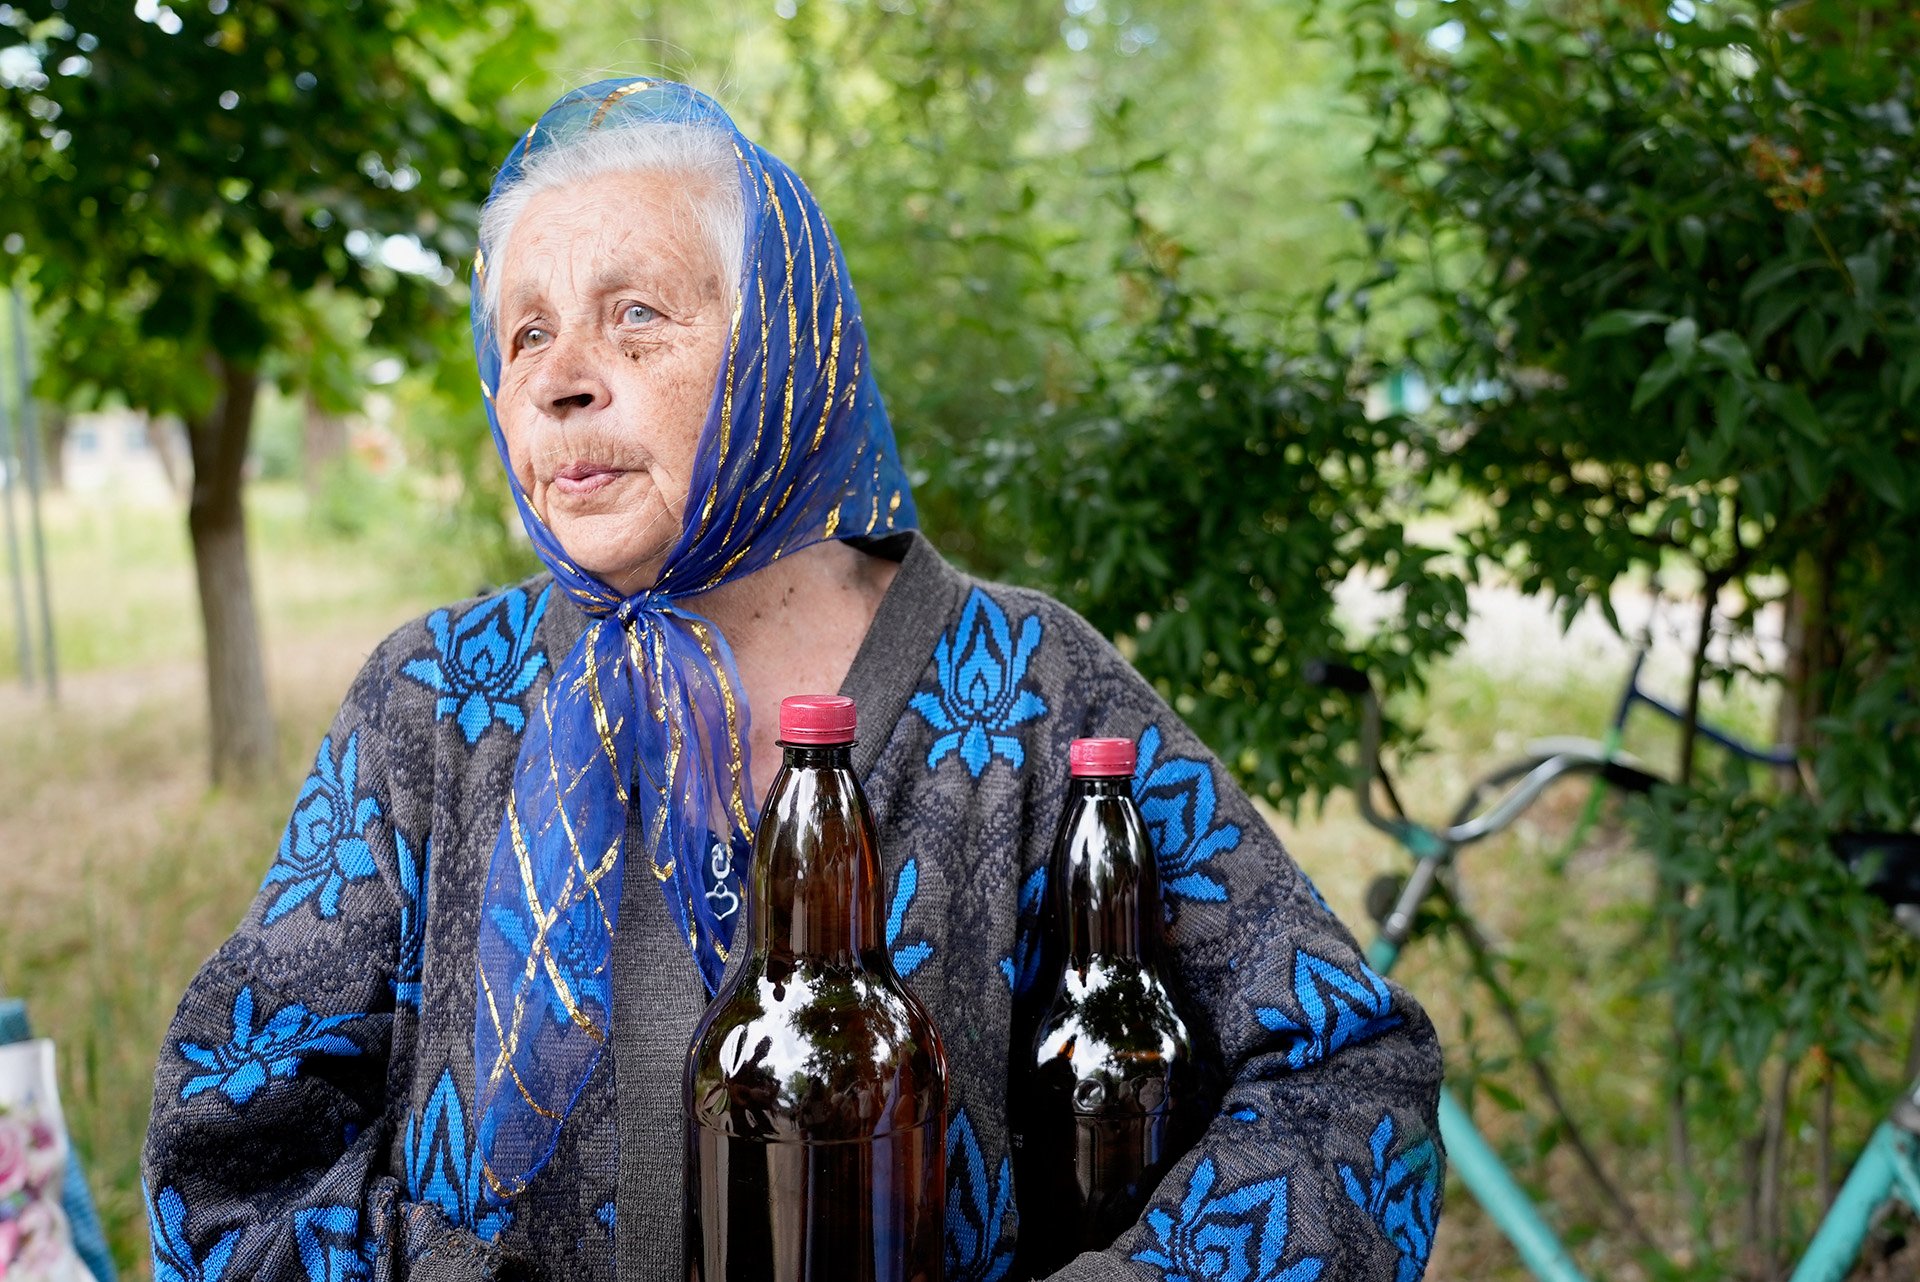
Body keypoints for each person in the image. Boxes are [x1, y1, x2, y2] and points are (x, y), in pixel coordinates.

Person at [143, 79, 1444, 1282]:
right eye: (523, 333)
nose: (556, 380)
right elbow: (230, 1147)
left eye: (634, 312)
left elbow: (1348, 1078)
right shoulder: (433, 701)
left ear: (785, 345)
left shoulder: (1031, 686)